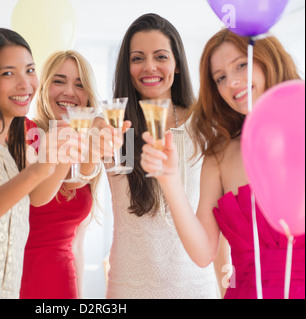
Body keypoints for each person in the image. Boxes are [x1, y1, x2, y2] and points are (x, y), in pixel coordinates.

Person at [141, 28, 305, 299]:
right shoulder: (220, 155)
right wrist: (169, 180)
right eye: (220, 78)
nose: (232, 82)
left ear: (268, 59)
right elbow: (203, 253)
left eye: (241, 65)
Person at [0, 29, 80, 299]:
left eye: (30, 70)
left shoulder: (16, 139)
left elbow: (37, 197)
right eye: (8, 73)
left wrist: (60, 153)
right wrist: (38, 170)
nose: (25, 84)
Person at [104, 13, 219, 298]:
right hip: (128, 289)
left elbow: (218, 218)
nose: (149, 67)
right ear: (126, 66)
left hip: (194, 287)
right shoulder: (113, 126)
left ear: (178, 64)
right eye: (137, 58)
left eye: (160, 56)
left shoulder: (206, 126)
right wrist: (95, 130)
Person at [20, 50, 113, 299]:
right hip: (20, 281)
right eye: (59, 81)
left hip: (64, 286)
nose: (69, 92)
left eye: (79, 85)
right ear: (43, 86)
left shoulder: (89, 150)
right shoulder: (26, 133)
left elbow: (76, 244)